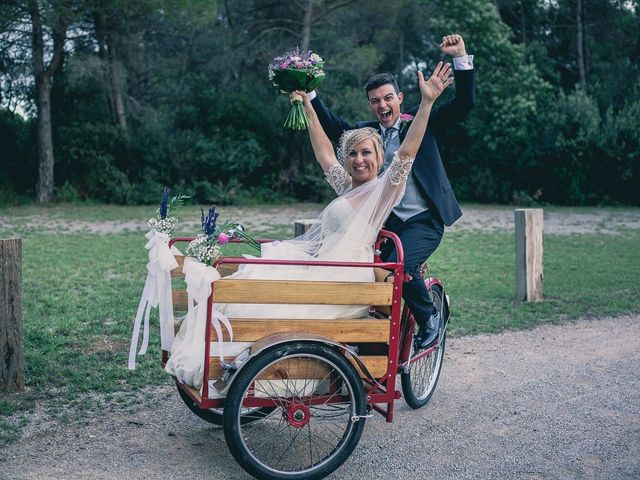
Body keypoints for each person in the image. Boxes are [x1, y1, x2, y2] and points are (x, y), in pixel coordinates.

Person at [165, 63, 453, 389]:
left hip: (349, 273)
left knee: (286, 295)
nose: (360, 160)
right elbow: (322, 151)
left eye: (367, 153)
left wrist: (427, 103)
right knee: (261, 278)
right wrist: (306, 105)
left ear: (380, 158)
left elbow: (408, 152)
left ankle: (251, 361)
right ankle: (239, 354)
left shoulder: (385, 191)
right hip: (324, 265)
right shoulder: (347, 186)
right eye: (354, 154)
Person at [309, 34, 475, 348]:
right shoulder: (366, 134)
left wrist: (461, 59)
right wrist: (308, 89)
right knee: (375, 288)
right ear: (370, 105)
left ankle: (430, 319)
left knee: (403, 267)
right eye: (375, 101)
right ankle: (374, 348)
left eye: (388, 98)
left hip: (423, 220)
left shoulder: (422, 120)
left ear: (399, 98)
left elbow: (464, 105)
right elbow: (330, 128)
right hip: (384, 224)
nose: (382, 105)